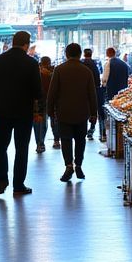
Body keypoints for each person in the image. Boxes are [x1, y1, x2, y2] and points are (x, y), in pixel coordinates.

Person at [0, 30, 43, 195]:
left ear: (13, 42)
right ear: (26, 44)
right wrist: (38, 111)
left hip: (2, 112)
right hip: (24, 113)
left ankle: (1, 181)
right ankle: (18, 184)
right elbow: (37, 91)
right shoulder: (31, 63)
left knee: (1, 147)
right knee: (21, 148)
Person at [46, 42, 98, 182]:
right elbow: (92, 94)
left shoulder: (59, 70)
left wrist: (50, 110)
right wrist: (94, 113)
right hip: (82, 112)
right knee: (81, 140)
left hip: (63, 112)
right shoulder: (86, 71)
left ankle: (69, 165)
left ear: (66, 54)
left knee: (66, 140)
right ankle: (79, 165)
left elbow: (52, 92)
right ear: (80, 54)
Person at [100, 46, 131, 141]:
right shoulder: (124, 64)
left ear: (107, 54)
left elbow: (105, 79)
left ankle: (107, 135)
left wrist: (103, 87)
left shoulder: (108, 63)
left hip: (111, 91)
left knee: (110, 113)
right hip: (123, 92)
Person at [81, 48, 104, 140]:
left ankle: (83, 128)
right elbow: (97, 78)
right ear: (91, 54)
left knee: (83, 110)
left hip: (83, 91)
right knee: (93, 110)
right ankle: (91, 129)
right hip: (94, 90)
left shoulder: (82, 64)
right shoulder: (94, 64)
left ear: (84, 54)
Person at [34, 55, 54, 153]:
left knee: (37, 122)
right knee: (43, 123)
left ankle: (39, 143)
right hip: (47, 99)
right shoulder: (52, 72)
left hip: (37, 100)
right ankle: (40, 142)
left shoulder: (36, 71)